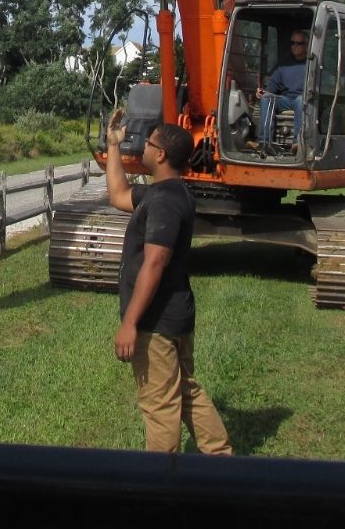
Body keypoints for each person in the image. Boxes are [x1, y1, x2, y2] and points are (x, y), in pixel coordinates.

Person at [104, 107, 233, 455]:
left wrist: (130, 322)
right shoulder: (166, 193)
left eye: (148, 143)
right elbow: (118, 195)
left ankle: (161, 481)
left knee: (159, 404)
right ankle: (220, 458)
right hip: (176, 316)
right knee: (186, 390)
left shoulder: (164, 203)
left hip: (156, 322)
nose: (142, 147)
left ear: (160, 155)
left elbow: (155, 262)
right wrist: (112, 145)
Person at [256, 28, 308, 150]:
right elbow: (272, 85)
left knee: (301, 100)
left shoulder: (311, 64)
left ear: (306, 45)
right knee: (266, 98)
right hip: (286, 99)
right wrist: (263, 92)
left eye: (299, 43)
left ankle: (297, 143)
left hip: (304, 99)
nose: (295, 46)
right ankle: (264, 142)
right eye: (292, 43)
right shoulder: (284, 63)